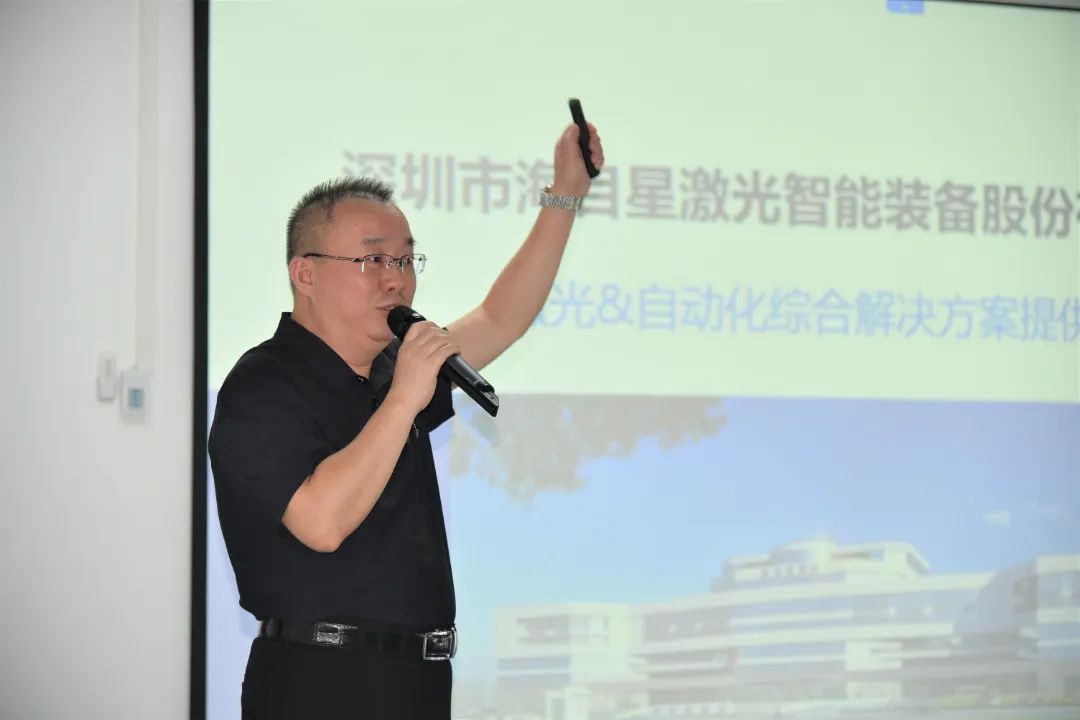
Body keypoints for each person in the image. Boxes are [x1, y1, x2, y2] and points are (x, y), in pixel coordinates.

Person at [208, 121, 604, 719]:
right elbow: (321, 522)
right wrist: (403, 400)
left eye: (404, 258)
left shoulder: (394, 369)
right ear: (305, 273)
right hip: (322, 683)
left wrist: (565, 193)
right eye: (372, 259)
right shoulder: (262, 384)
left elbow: (500, 317)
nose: (396, 277)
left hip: (417, 683)